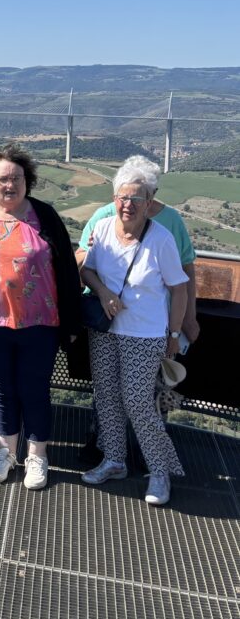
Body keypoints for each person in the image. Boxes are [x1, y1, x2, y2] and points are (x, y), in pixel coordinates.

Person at [0, 145, 81, 491]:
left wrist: (71, 323)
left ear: (28, 181)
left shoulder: (44, 216)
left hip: (39, 322)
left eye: (16, 178)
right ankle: (6, 452)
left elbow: (67, 270)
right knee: (1, 388)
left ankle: (37, 455)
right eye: (2, 179)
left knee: (34, 387)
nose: (9, 185)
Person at [75, 154, 199, 462]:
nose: (129, 203)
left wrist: (182, 323)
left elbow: (183, 276)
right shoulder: (104, 220)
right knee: (107, 398)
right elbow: (84, 261)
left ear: (150, 196)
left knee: (142, 400)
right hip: (107, 324)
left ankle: (157, 464)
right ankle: (111, 454)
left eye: (137, 197)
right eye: (123, 196)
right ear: (115, 195)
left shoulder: (166, 229)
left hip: (149, 327)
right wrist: (102, 292)